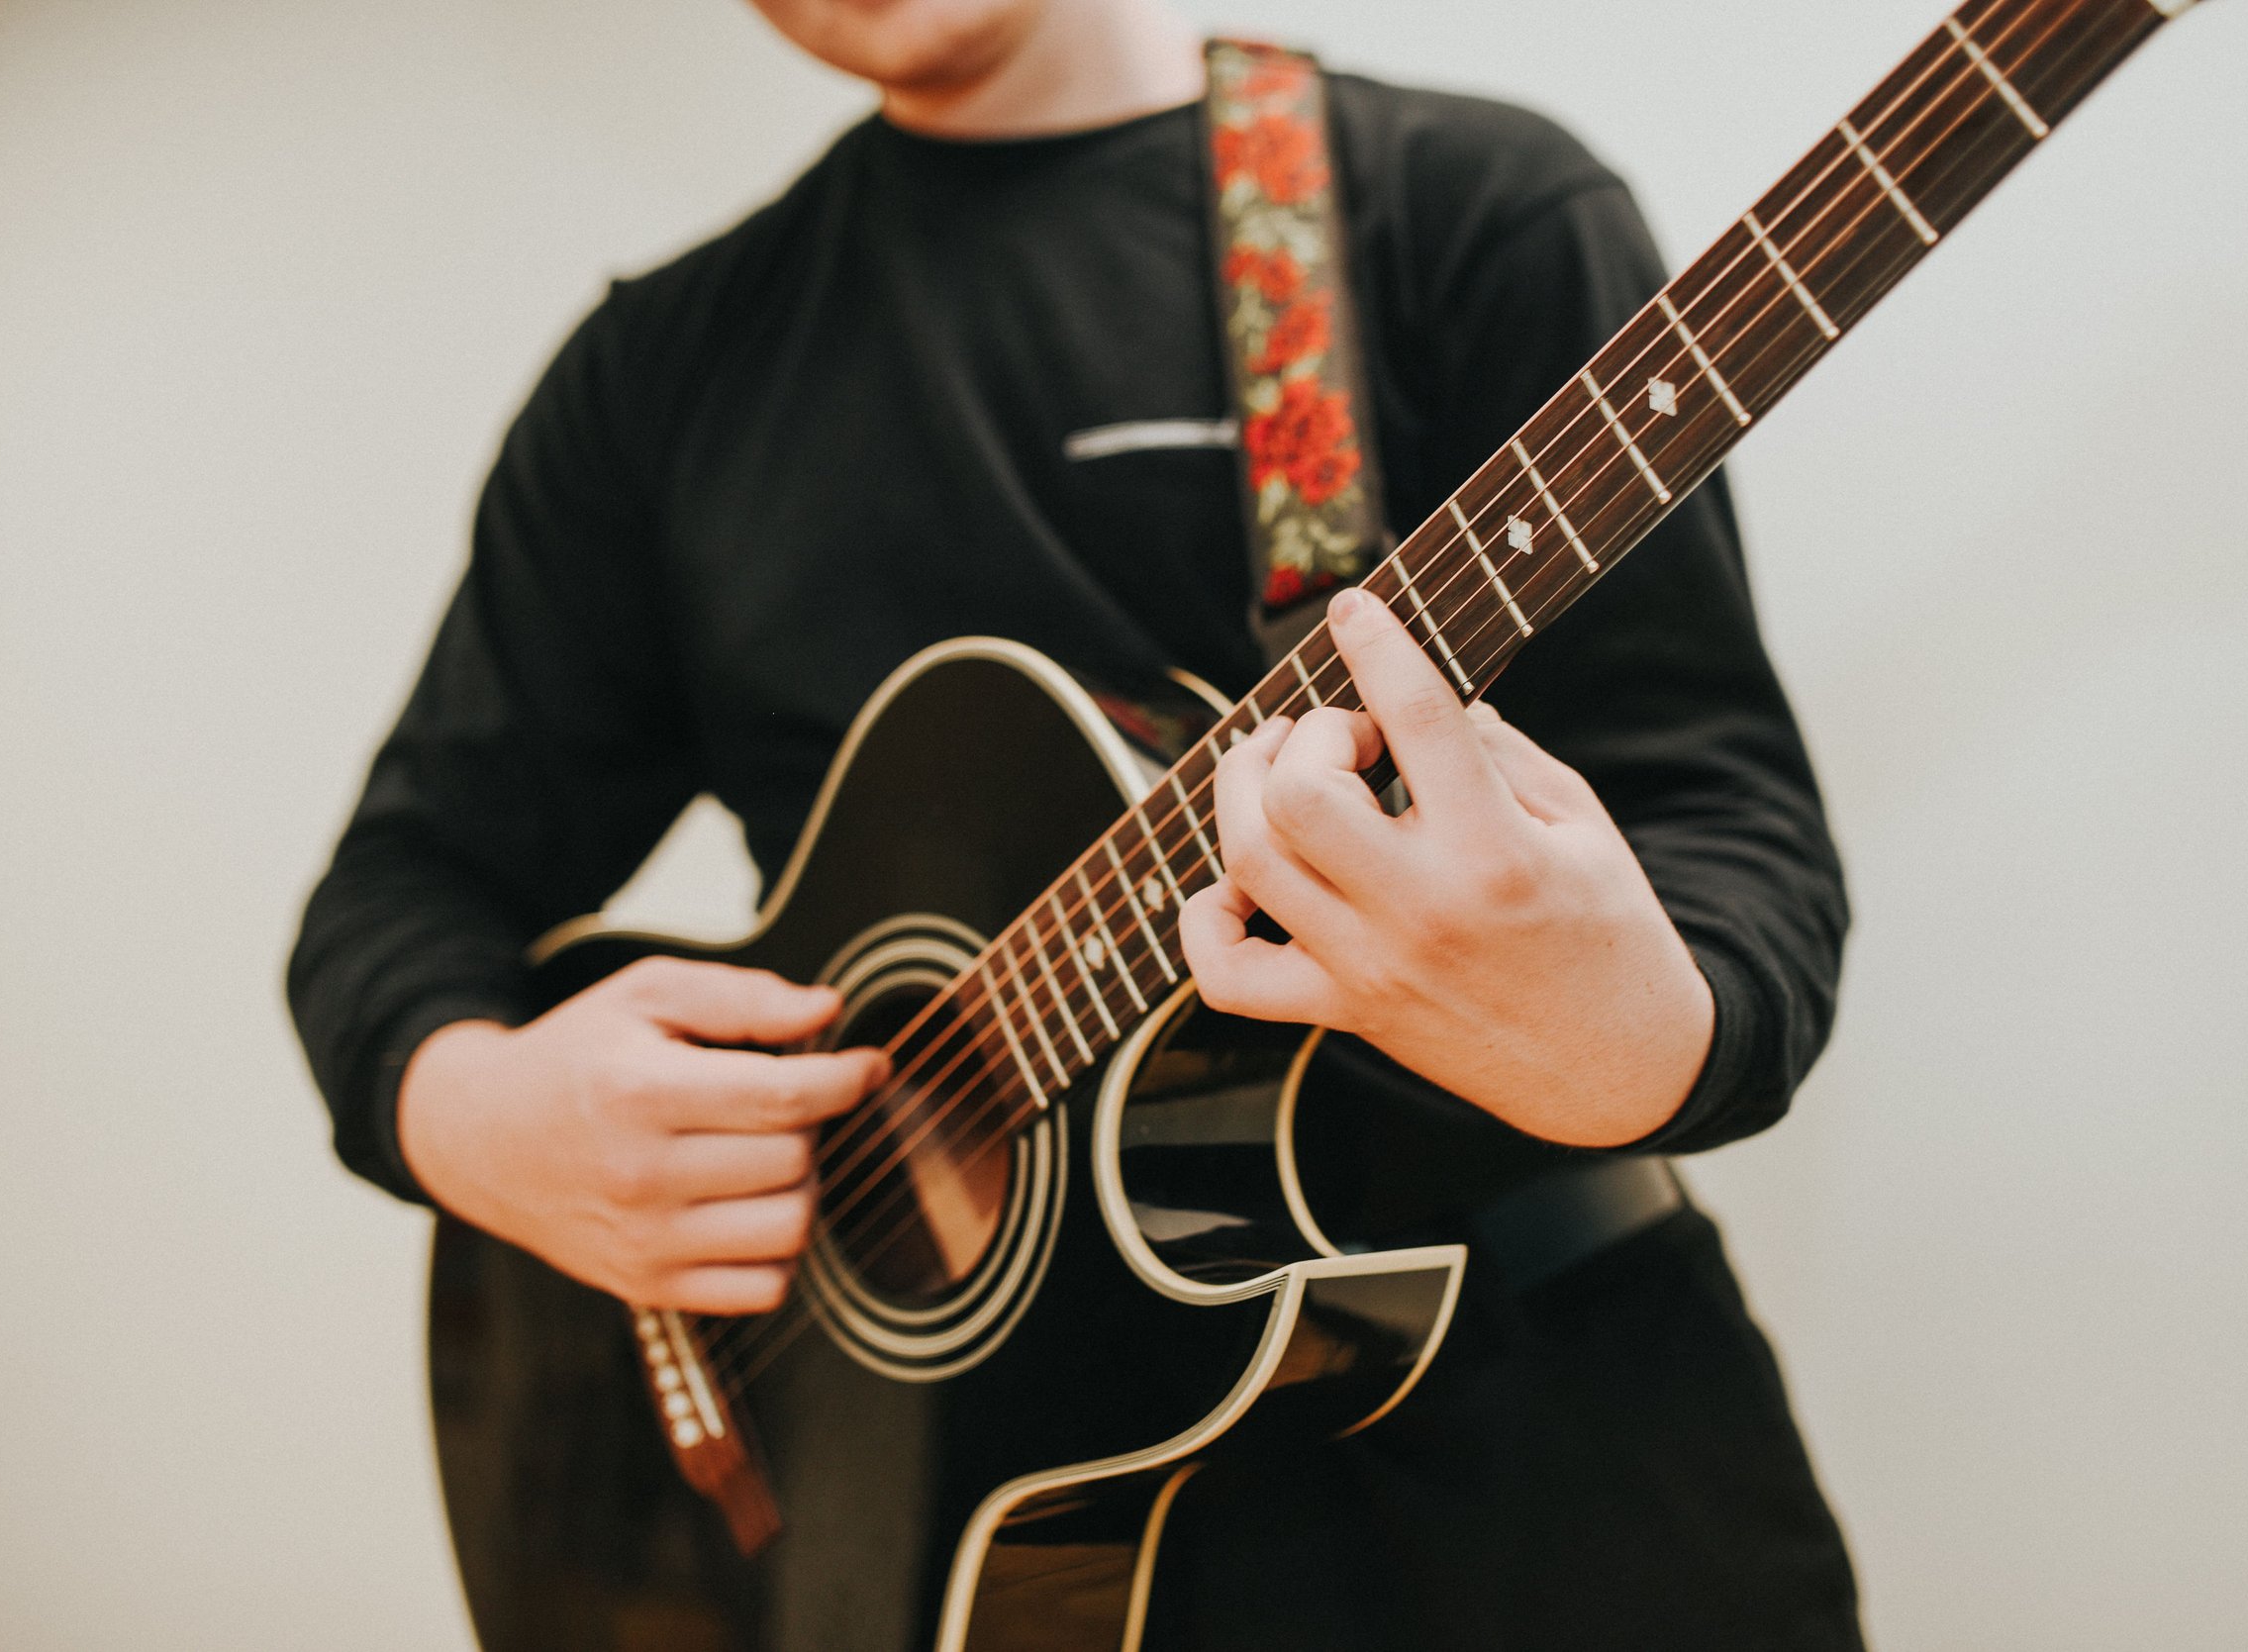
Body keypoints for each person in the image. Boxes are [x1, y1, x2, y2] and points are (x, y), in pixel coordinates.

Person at [289, 0, 1862, 1643]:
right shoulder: (661, 377)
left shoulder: (1467, 207)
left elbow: (1719, 814)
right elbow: (401, 894)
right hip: (934, 1557)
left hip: (1553, 1494)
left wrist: (1633, 1039)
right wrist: (476, 1111)